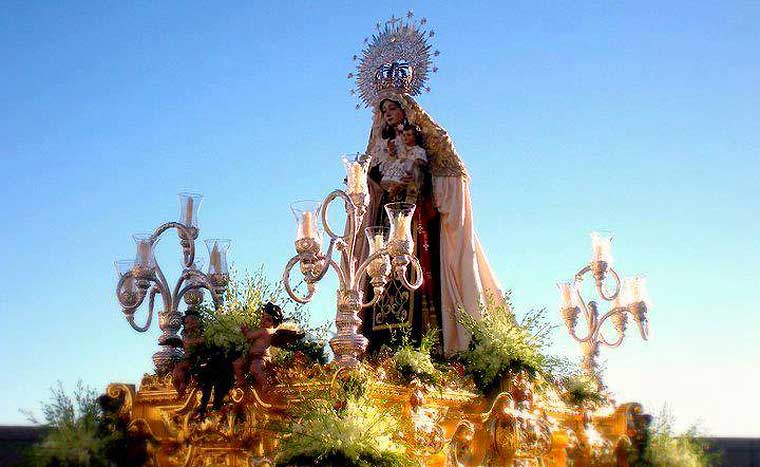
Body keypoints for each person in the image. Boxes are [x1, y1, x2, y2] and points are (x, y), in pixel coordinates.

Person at [358, 95, 503, 357]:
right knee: (380, 277)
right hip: (384, 220)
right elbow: (369, 182)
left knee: (413, 274)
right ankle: (376, 349)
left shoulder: (423, 141)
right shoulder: (381, 146)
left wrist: (412, 181)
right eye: (384, 110)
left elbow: (443, 174)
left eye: (393, 108)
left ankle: (422, 349)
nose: (388, 114)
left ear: (405, 110)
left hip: (413, 216)